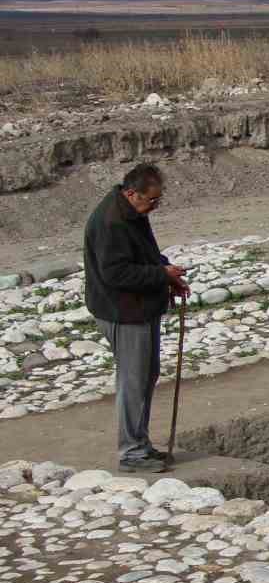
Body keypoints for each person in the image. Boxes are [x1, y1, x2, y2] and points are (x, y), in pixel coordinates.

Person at [83, 163, 188, 473]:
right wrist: (161, 274)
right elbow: (116, 273)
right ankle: (131, 452)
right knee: (134, 380)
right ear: (132, 193)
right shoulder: (112, 222)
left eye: (158, 200)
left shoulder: (132, 213)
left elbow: (146, 254)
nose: (154, 207)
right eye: (151, 200)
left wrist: (167, 275)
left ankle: (140, 444)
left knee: (145, 376)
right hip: (124, 312)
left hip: (139, 308)